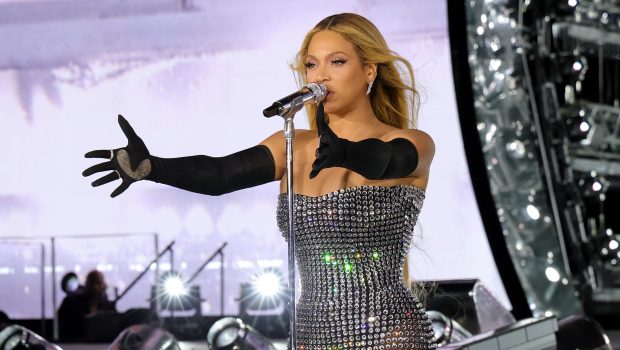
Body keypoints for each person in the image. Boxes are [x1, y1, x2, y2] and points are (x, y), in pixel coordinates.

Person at [83, 13, 436, 349]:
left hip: (389, 332)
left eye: (337, 62)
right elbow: (220, 174)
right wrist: (153, 167)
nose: (321, 76)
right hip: (311, 332)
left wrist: (344, 153)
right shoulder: (292, 145)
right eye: (312, 65)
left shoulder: (412, 142)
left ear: (369, 70)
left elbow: (387, 161)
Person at [58, 270, 116, 341]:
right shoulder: (71, 303)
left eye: (99, 283)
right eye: (94, 283)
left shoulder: (107, 307)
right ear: (88, 284)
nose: (96, 287)